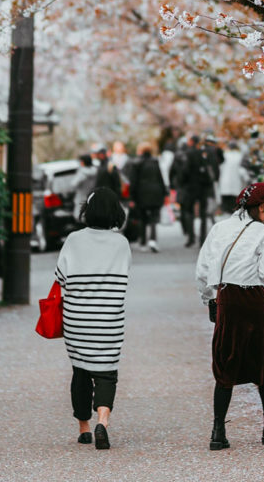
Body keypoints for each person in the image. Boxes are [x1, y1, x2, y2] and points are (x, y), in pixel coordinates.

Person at [195, 182, 264, 451]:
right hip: (253, 298)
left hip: (225, 297)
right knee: (262, 360)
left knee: (225, 359)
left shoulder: (219, 229)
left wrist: (209, 299)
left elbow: (202, 270)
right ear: (262, 206)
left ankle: (218, 431)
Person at [55, 187, 130, 450]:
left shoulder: (74, 240)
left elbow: (61, 277)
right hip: (109, 319)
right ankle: (103, 421)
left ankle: (84, 428)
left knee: (81, 370)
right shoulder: (121, 243)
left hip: (77, 319)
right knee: (107, 372)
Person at [128, 143, 167, 252]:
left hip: (142, 193)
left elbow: (133, 181)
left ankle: (143, 242)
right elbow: (160, 178)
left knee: (142, 218)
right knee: (154, 218)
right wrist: (164, 192)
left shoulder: (136, 163)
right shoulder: (155, 162)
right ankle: (153, 240)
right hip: (156, 192)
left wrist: (131, 196)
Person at [180, 134, 216, 247]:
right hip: (204, 186)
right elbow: (213, 166)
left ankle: (191, 238)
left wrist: (182, 182)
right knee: (203, 213)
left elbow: (185, 170)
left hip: (191, 186)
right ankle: (202, 238)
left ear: (191, 142)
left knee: (189, 211)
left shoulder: (189, 153)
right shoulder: (205, 153)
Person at [217, 141, 249, 215]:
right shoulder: (239, 156)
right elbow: (241, 170)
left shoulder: (224, 155)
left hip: (224, 181)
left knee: (226, 201)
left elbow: (220, 167)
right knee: (234, 202)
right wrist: (246, 178)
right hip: (235, 182)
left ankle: (225, 213)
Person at [71, 154, 98, 225]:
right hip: (94, 198)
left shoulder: (82, 173)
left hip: (81, 198)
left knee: (81, 219)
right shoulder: (96, 171)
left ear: (82, 162)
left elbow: (73, 184)